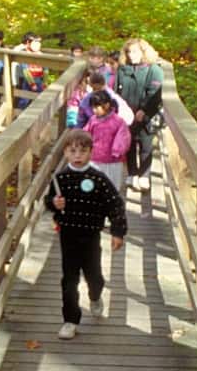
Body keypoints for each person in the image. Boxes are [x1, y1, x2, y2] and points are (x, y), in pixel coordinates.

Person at [42, 129, 127, 340]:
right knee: (69, 280)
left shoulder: (98, 179)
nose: (78, 155)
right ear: (66, 153)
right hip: (68, 236)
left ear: (91, 152)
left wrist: (118, 232)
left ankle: (95, 296)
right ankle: (70, 320)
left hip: (91, 236)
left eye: (83, 151)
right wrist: (54, 203)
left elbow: (115, 205)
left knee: (94, 276)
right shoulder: (60, 178)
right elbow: (48, 201)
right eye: (73, 151)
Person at [114, 38, 166, 192]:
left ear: (143, 52)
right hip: (126, 115)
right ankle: (132, 173)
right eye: (129, 52)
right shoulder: (122, 69)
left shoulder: (153, 70)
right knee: (129, 145)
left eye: (135, 51)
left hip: (146, 116)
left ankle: (144, 175)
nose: (131, 55)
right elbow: (117, 92)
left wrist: (144, 110)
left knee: (146, 146)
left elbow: (155, 94)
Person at [84, 90, 132, 193]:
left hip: (112, 161)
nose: (94, 110)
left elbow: (123, 137)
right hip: (95, 159)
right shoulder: (93, 120)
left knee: (112, 187)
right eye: (92, 107)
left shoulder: (118, 122)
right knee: (94, 187)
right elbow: (86, 133)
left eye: (96, 107)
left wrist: (117, 150)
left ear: (106, 105)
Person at [12, 33, 48, 109]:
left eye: (39, 43)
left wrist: (45, 82)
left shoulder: (41, 55)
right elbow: (25, 70)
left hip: (39, 80)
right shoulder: (24, 53)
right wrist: (32, 83)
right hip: (28, 81)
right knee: (24, 100)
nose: (37, 44)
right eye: (35, 42)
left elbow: (46, 69)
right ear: (29, 43)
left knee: (39, 101)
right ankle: (19, 116)